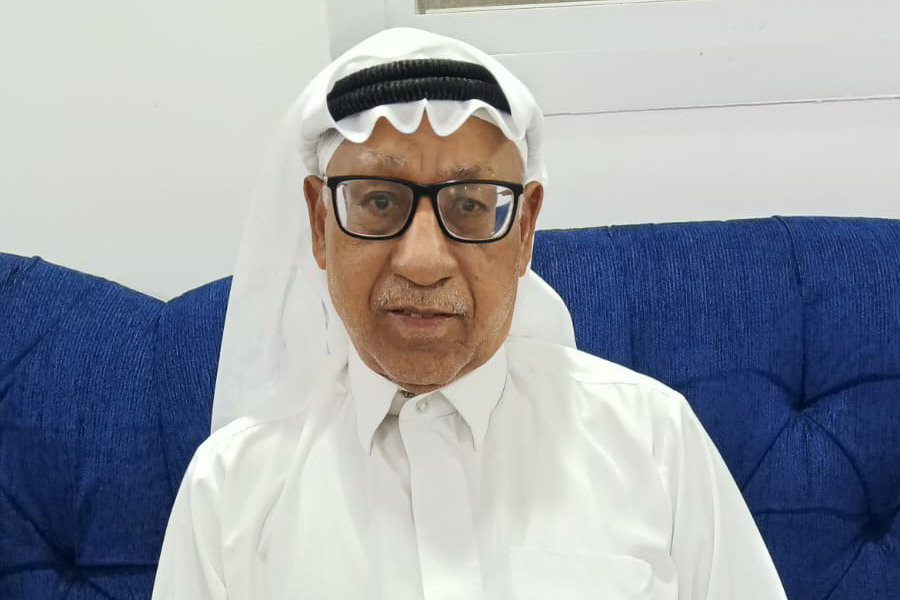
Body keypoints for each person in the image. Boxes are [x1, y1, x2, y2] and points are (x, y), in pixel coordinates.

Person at [151, 28, 787, 600]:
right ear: (320, 224)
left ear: (525, 228)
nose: (423, 261)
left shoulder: (653, 441)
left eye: (471, 205)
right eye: (379, 202)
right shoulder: (230, 492)